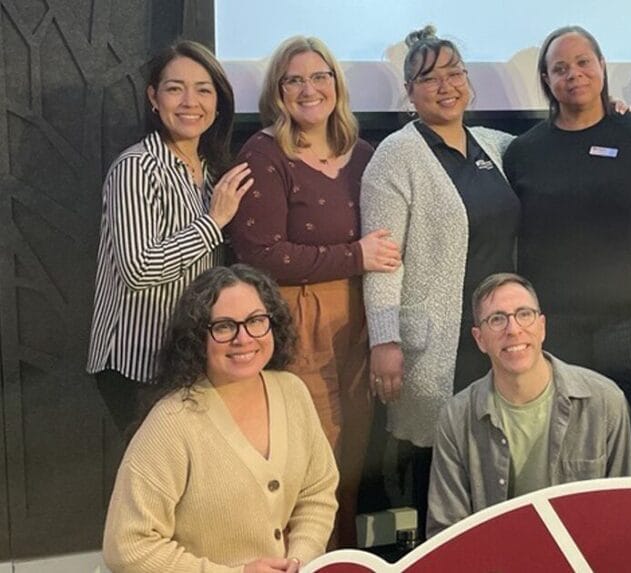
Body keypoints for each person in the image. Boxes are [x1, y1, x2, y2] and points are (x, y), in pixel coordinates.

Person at [227, 36, 399, 548]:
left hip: (361, 318)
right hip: (299, 321)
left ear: (336, 85)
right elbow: (259, 254)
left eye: (320, 76)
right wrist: (355, 256)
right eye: (295, 79)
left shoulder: (364, 154)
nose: (309, 88)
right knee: (312, 456)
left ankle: (342, 555)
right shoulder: (264, 152)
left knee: (353, 454)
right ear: (278, 93)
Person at [361, 26, 520, 534]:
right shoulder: (396, 155)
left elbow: (563, 145)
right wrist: (384, 339)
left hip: (497, 336)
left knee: (497, 467)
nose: (445, 85)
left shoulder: (496, 146)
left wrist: (614, 113)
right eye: (429, 78)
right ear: (409, 92)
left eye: (454, 73)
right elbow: (383, 258)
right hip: (437, 348)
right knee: (440, 477)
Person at [102, 264, 338, 573]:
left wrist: (299, 560)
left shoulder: (293, 392)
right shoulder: (170, 424)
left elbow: (317, 491)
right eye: (224, 326)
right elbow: (127, 547)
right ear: (198, 336)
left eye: (256, 321)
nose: (243, 338)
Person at [504, 25, 631, 399]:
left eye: (584, 61)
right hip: (555, 328)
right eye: (560, 68)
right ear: (546, 79)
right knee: (567, 439)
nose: (574, 74)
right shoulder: (524, 152)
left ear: (602, 65)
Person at [87, 40, 253, 435]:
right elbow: (139, 269)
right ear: (153, 98)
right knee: (156, 489)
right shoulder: (137, 167)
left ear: (219, 101)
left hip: (192, 357)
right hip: (139, 361)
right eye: (175, 88)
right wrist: (213, 224)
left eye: (203, 89)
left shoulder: (213, 171)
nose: (189, 101)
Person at [427, 273, 631, 537]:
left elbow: (622, 516)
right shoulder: (456, 417)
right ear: (479, 339)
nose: (513, 329)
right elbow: (446, 534)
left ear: (542, 326)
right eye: (497, 319)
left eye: (524, 314)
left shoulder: (605, 402)